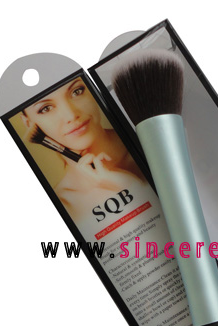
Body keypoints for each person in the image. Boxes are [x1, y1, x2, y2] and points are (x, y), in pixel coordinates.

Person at [21, 77, 146, 223]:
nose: (71, 115)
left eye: (77, 91)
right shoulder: (65, 206)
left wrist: (136, 187)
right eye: (46, 108)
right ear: (29, 123)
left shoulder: (146, 140)